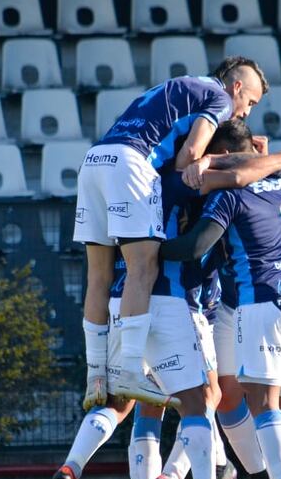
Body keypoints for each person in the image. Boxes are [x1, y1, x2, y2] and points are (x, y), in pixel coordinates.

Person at [52, 125, 281, 479]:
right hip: (170, 301)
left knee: (126, 401)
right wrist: (270, 158)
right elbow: (239, 176)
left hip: (122, 301)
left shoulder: (127, 189)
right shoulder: (180, 185)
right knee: (201, 399)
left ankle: (73, 466)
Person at [73, 59, 268, 415]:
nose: (244, 113)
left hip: (95, 160)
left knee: (98, 276)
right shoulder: (219, 98)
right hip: (132, 164)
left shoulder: (178, 85)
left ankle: (95, 375)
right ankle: (130, 370)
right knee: (142, 267)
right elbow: (188, 158)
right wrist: (238, 159)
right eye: (250, 102)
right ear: (236, 87)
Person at [160, 122, 281, 479]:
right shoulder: (210, 181)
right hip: (234, 301)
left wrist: (145, 251)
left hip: (258, 297)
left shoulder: (245, 186)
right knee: (229, 393)